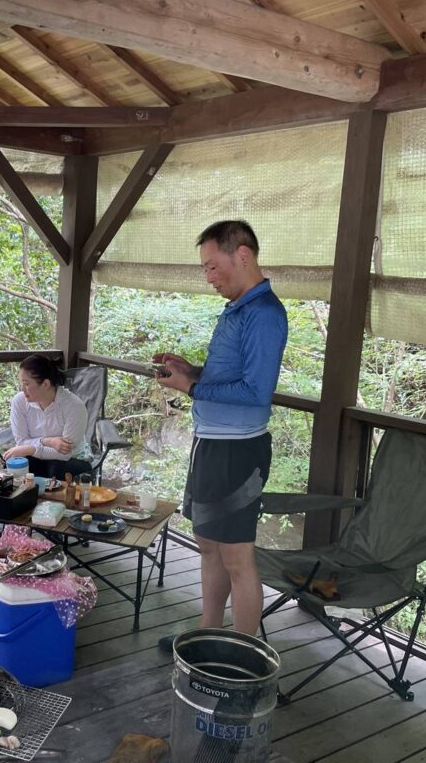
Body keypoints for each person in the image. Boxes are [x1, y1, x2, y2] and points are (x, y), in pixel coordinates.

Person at [154, 220, 287, 642]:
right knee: (208, 545)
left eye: (213, 266)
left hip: (238, 452)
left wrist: (191, 386)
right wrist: (190, 369)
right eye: (205, 269)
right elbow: (229, 376)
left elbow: (256, 391)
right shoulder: (239, 308)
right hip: (211, 444)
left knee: (237, 558)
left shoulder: (265, 314)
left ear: (242, 255)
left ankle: (243, 651)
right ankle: (208, 634)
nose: (208, 276)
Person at [2, 354, 90, 480]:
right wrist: (48, 441)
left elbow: (64, 454)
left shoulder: (74, 406)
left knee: (55, 467)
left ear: (45, 384)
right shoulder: (20, 401)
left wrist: (32, 449)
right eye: (22, 383)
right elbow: (21, 442)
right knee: (17, 463)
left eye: (26, 384)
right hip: (39, 456)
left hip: (73, 459)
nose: (22, 389)